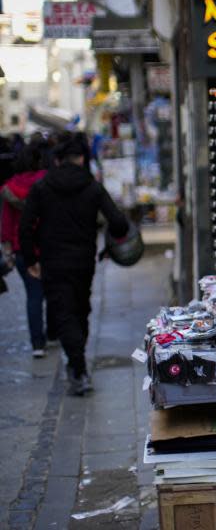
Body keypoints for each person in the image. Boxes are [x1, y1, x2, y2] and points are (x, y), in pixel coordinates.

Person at [19, 135, 129, 396]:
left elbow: (25, 227)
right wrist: (111, 246)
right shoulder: (92, 187)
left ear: (58, 160)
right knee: (80, 311)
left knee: (64, 312)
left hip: (53, 261)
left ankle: (78, 368)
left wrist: (31, 260)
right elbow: (119, 223)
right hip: (83, 261)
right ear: (82, 159)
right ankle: (78, 366)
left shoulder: (42, 187)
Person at [1, 138, 48, 357]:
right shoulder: (47, 182)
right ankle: (54, 332)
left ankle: (37, 343)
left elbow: (7, 222)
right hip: (48, 245)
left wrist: (7, 248)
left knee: (33, 295)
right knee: (54, 291)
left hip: (22, 249)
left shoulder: (10, 188)